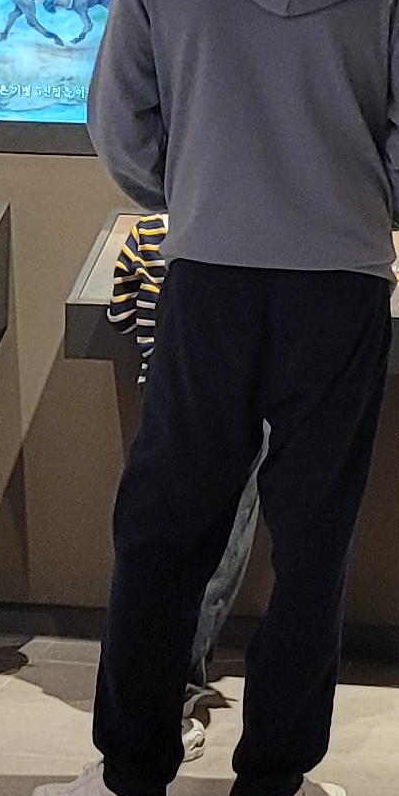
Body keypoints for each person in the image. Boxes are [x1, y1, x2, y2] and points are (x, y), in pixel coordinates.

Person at [36, 0, 399, 796]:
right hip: (341, 286)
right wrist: (379, 209)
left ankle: (131, 784)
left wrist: (187, 190)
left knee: (166, 523)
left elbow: (117, 123)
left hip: (210, 275)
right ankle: (271, 790)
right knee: (314, 533)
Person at [111, 210, 261, 761]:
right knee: (222, 549)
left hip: (164, 393)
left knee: (160, 542)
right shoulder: (248, 225)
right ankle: (178, 688)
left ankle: (150, 694)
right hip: (239, 398)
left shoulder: (149, 230)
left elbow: (119, 312)